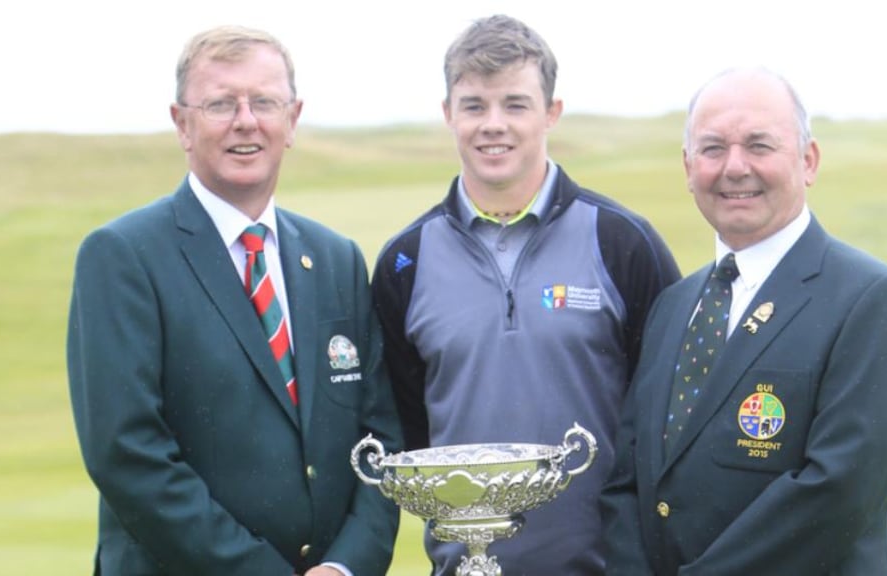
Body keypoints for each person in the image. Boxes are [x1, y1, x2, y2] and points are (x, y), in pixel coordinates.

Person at [66, 25, 401, 576]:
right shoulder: (123, 256)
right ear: (182, 124)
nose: (246, 121)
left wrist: (347, 566)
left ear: (292, 120)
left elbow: (379, 436)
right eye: (221, 103)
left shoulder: (336, 257)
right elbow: (127, 455)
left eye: (265, 101)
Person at [371, 14, 681, 575]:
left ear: (551, 113)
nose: (494, 125)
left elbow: (665, 420)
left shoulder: (622, 243)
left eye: (515, 104)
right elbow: (411, 429)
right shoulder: (404, 262)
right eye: (474, 105)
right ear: (448, 114)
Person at [600, 67, 887, 575]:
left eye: (759, 145)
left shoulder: (871, 299)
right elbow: (628, 482)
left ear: (808, 160)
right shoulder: (674, 305)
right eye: (712, 149)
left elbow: (836, 492)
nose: (734, 167)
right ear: (688, 167)